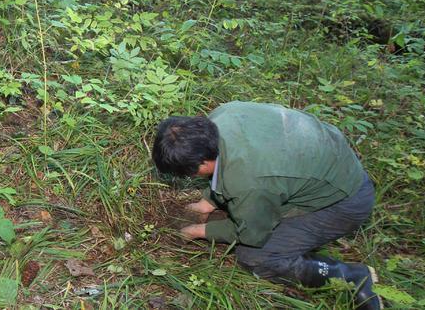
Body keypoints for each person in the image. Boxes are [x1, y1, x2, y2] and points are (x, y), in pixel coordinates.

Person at [152, 101, 381, 310]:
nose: (191, 177)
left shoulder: (250, 182)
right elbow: (228, 166)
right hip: (330, 158)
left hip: (344, 201)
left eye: (190, 172)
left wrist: (200, 231)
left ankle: (351, 277)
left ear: (202, 162)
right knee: (245, 199)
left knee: (257, 257)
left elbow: (251, 233)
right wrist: (207, 202)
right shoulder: (222, 116)